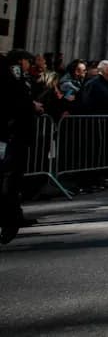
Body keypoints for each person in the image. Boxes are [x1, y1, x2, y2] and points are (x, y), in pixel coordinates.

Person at [1, 50, 39, 245]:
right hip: (11, 133)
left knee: (11, 177)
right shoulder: (10, 74)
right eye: (27, 61)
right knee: (9, 177)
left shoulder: (12, 75)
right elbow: (18, 101)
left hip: (13, 134)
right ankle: (11, 217)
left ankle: (12, 216)